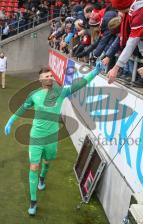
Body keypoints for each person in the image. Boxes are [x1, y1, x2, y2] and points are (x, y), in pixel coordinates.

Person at [4, 63, 104, 216]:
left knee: (47, 161)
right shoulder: (34, 95)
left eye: (51, 76)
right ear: (40, 79)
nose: (49, 78)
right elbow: (23, 108)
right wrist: (11, 121)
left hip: (52, 138)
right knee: (33, 166)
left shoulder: (60, 92)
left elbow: (80, 83)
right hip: (36, 137)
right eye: (46, 76)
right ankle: (33, 201)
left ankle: (42, 179)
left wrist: (95, 72)